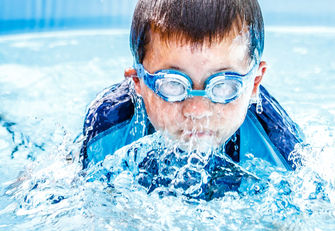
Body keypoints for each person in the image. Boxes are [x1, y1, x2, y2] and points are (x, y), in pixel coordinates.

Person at [80, 0, 302, 173]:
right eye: (172, 85)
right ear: (137, 82)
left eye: (224, 86)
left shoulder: (279, 146)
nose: (197, 110)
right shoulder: (109, 126)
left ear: (254, 83)